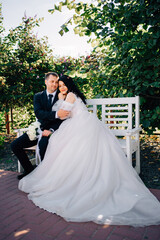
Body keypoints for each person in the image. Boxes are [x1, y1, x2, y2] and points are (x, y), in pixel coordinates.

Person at [19, 75, 160, 226]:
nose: (62, 88)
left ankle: (76, 180)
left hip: (81, 126)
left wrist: (60, 97)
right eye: (59, 86)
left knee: (64, 144)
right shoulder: (71, 96)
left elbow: (62, 114)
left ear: (69, 85)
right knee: (61, 143)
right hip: (82, 125)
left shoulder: (71, 96)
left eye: (64, 85)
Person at [11, 72, 70, 180]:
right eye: (52, 81)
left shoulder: (62, 96)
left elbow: (63, 118)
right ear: (46, 82)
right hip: (38, 129)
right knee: (15, 145)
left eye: (56, 82)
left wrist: (51, 130)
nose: (54, 84)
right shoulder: (38, 96)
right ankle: (29, 170)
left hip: (53, 132)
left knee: (43, 146)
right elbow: (39, 113)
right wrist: (56, 114)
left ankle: (46, 177)